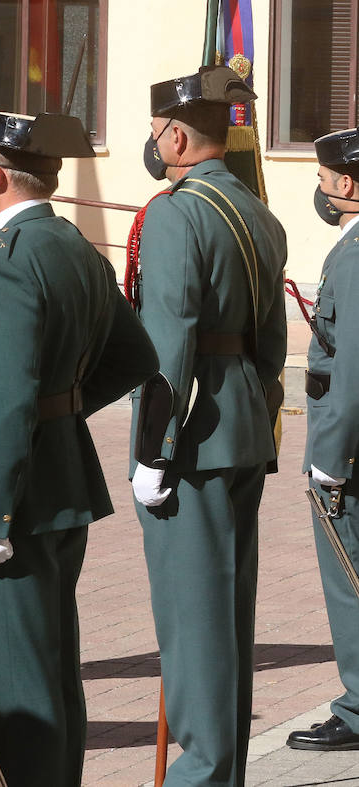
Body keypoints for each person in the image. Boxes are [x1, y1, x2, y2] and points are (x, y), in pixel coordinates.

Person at [0, 110, 158, 786]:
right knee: (53, 671)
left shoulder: (8, 257)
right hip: (58, 479)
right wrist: (59, 410)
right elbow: (134, 356)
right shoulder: (69, 242)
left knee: (13, 689)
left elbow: (5, 397)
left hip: (11, 496)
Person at [129, 65, 287, 786]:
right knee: (227, 619)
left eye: (160, 131)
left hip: (190, 436)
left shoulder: (174, 211)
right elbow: (272, 343)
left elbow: (169, 341)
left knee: (193, 627)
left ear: (180, 135)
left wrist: (152, 451)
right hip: (245, 424)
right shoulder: (258, 211)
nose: (154, 142)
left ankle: (201, 776)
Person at [284, 127, 359, 752]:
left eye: (322, 178)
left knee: (349, 577)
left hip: (352, 452)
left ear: (347, 185)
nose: (320, 188)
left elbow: (352, 373)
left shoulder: (357, 254)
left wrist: (329, 460)